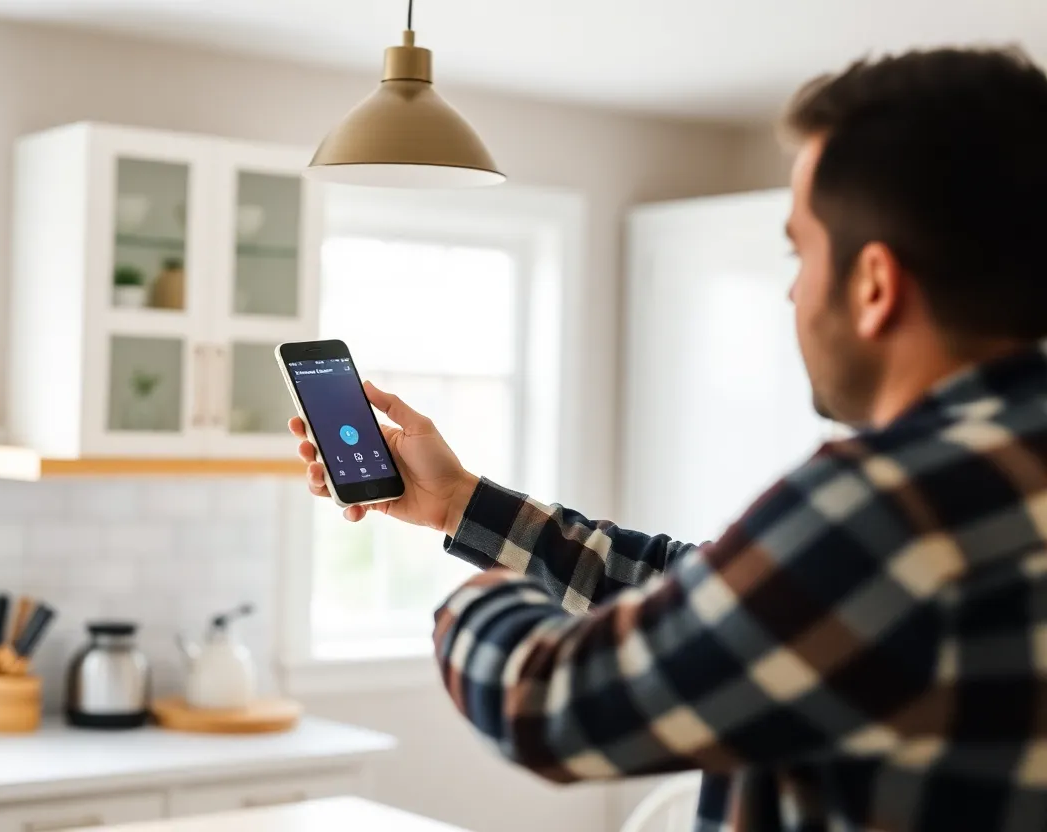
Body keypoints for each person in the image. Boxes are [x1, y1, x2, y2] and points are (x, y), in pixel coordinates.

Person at [290, 47, 1047, 831]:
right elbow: (705, 595)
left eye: (801, 251)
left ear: (875, 286)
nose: (791, 289)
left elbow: (550, 704)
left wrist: (471, 604)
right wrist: (458, 503)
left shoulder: (893, 505)